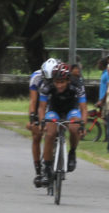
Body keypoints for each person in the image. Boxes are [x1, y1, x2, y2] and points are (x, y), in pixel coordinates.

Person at [38, 63, 87, 186]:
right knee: (50, 134)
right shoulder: (47, 86)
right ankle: (47, 167)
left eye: (62, 82)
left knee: (74, 127)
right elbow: (42, 107)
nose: (59, 85)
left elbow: (84, 108)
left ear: (68, 80)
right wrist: (42, 122)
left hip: (71, 110)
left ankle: (72, 152)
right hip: (54, 110)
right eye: (56, 82)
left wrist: (82, 125)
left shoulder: (77, 85)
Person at [26, 58, 58, 187]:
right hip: (41, 102)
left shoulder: (60, 76)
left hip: (54, 103)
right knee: (37, 135)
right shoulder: (36, 77)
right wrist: (34, 119)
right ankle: (39, 171)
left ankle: (54, 157)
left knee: (53, 130)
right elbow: (33, 101)